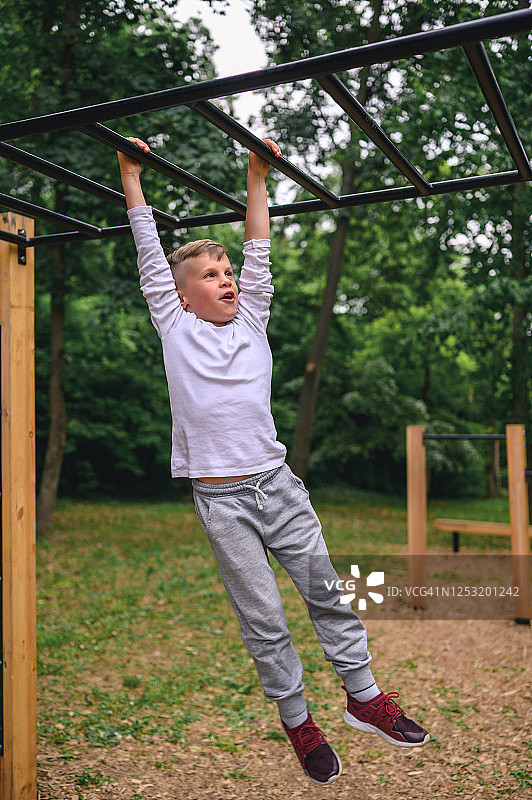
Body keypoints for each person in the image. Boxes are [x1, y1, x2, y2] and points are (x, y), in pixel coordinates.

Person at [117, 136, 429, 786]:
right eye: (210, 275)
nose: (226, 279)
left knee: (326, 592)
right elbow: (148, 253)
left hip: (277, 487)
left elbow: (258, 251)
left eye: (226, 271)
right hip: (222, 502)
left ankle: (364, 697)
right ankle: (298, 720)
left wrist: (257, 176)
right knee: (263, 616)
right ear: (180, 295)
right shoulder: (174, 326)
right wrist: (131, 176)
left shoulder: (253, 321)